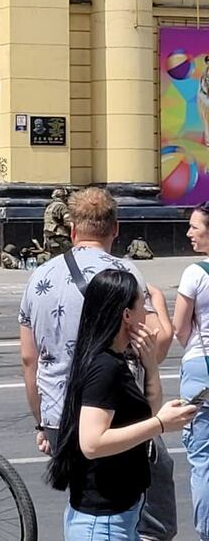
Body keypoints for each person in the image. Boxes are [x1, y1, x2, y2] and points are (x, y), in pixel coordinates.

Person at [19, 187, 176, 541]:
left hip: (60, 413)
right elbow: (154, 346)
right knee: (139, 514)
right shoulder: (125, 275)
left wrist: (41, 423)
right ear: (115, 228)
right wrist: (161, 312)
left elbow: (29, 359)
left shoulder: (39, 277)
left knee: (86, 502)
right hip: (115, 416)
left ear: (73, 229)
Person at [47, 269, 196, 541]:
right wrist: (161, 424)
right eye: (143, 307)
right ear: (127, 315)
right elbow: (92, 444)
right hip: (102, 524)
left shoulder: (116, 360)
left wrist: (150, 366)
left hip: (121, 517)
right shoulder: (105, 368)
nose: (147, 316)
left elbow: (146, 414)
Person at [173, 201, 209, 541]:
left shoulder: (195, 273)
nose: (189, 232)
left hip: (202, 370)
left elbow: (180, 328)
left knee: (203, 459)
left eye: (195, 227)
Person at [43, 188, 72, 256]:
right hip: (61, 238)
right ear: (64, 197)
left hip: (49, 239)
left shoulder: (49, 207)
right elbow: (67, 220)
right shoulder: (61, 206)